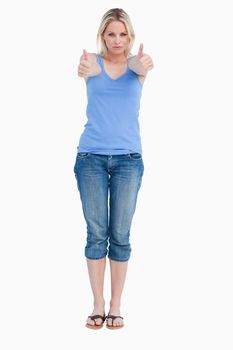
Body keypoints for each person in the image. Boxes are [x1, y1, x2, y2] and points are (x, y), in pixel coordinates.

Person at [73, 8, 154, 330]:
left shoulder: (138, 66)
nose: (117, 40)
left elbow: (137, 64)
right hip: (90, 157)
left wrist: (141, 63)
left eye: (123, 34)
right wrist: (84, 67)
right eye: (111, 34)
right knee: (96, 235)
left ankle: (117, 305)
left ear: (130, 36)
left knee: (120, 236)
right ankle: (97, 304)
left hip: (128, 161)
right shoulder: (92, 63)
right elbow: (85, 68)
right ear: (102, 35)